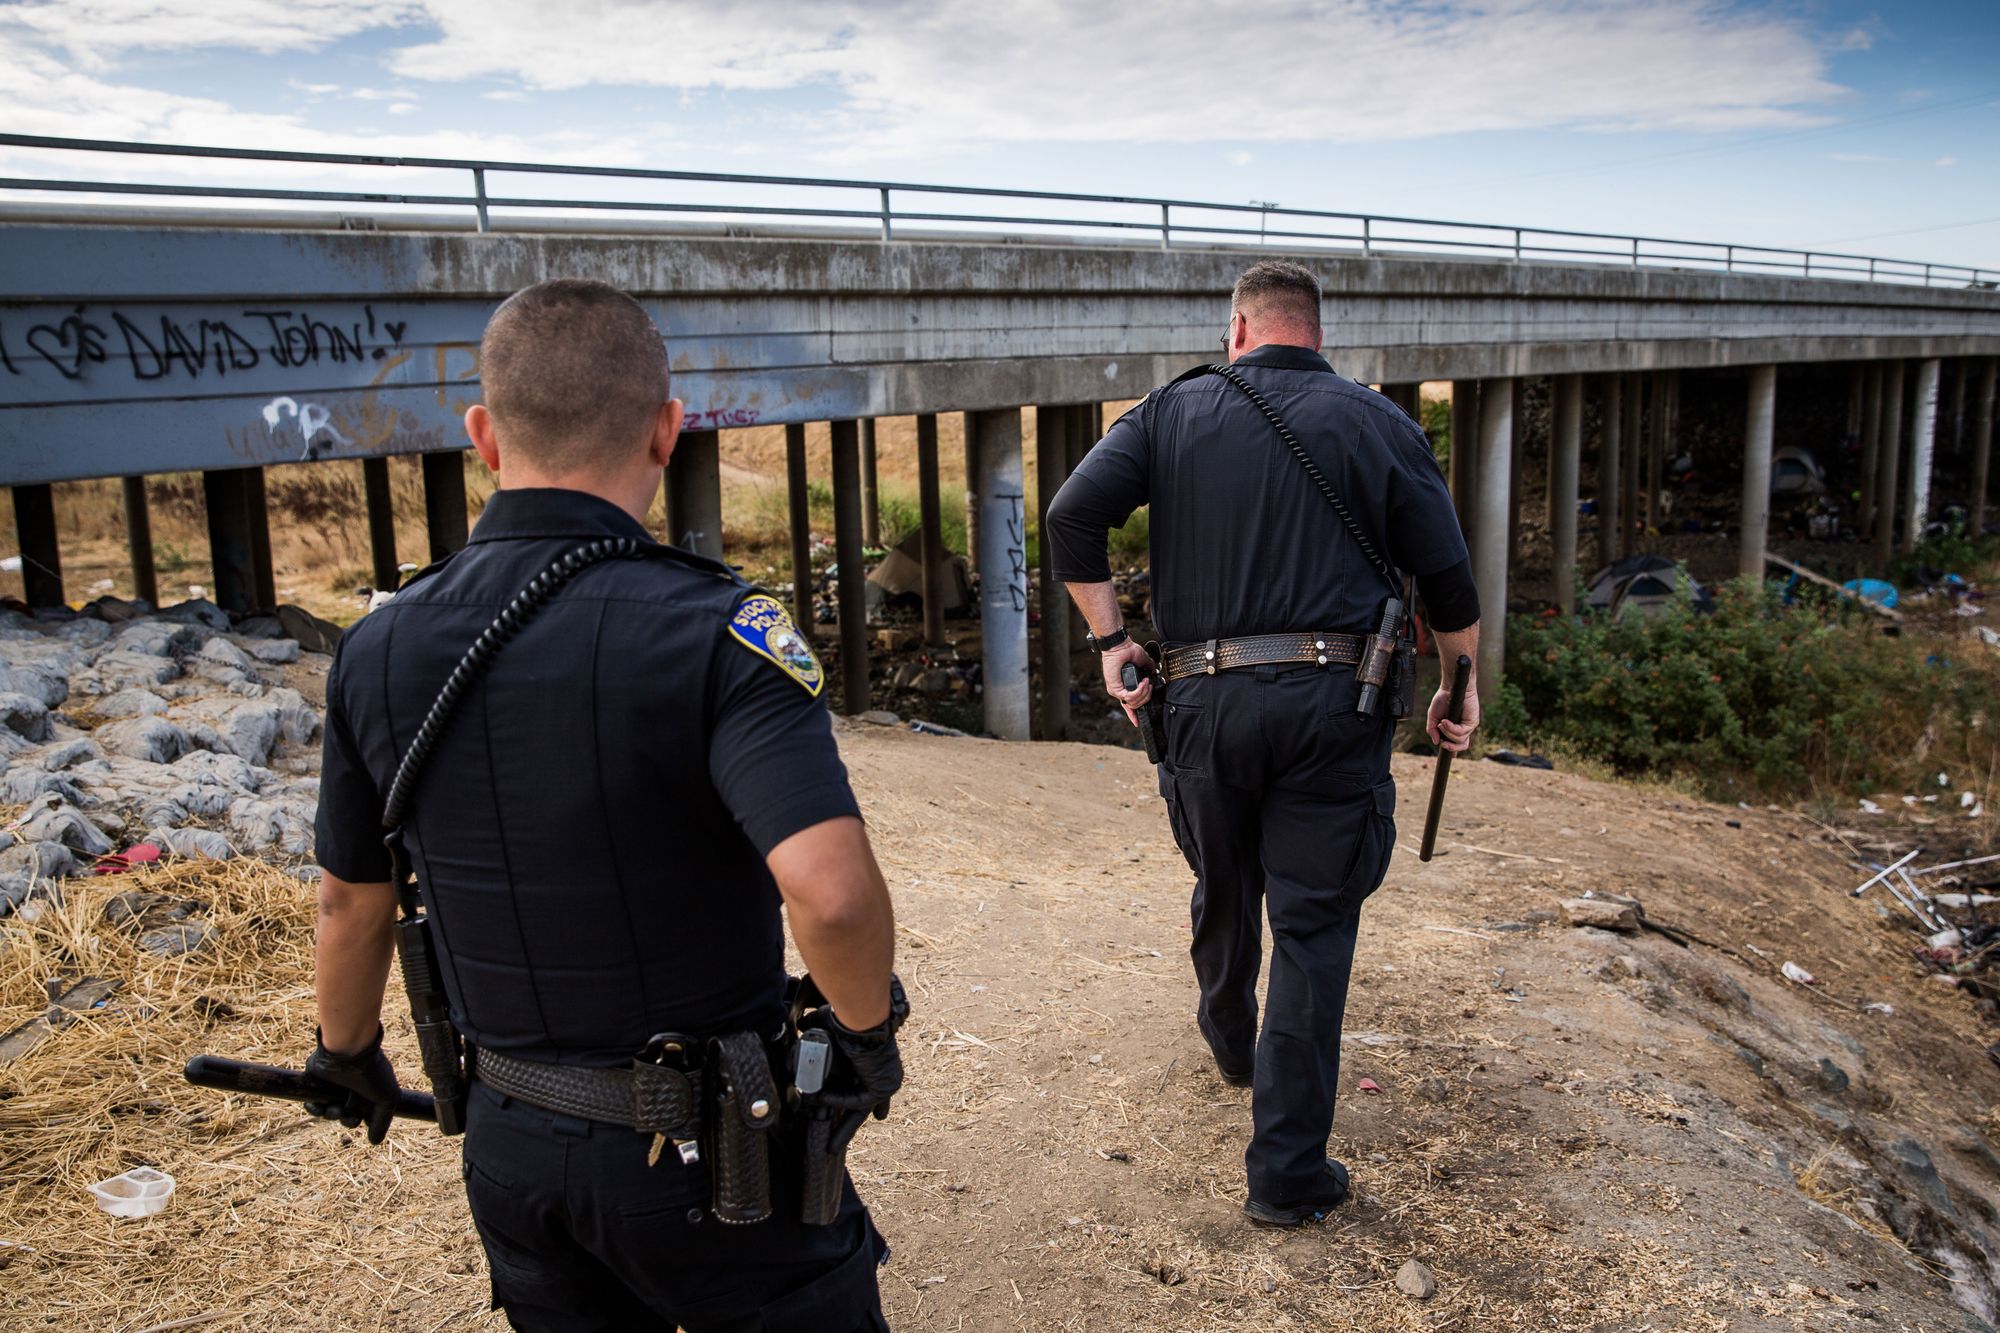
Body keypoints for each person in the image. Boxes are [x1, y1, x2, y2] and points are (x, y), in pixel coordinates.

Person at [305, 278, 901, 1331]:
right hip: (720, 1158)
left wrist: (344, 1054)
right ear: (668, 432)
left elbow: (349, 905)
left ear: (484, 437)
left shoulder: (376, 649)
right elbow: (834, 898)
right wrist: (862, 1034)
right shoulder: (722, 633)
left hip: (511, 1148)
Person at [1044, 260, 1481, 1227]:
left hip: (1201, 699)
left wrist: (1114, 643)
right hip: (1339, 706)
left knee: (1226, 878)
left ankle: (1231, 1041)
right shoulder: (1380, 422)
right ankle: (1286, 1176)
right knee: (1315, 929)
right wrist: (1460, 685)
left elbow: (1071, 516)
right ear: (1316, 333)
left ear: (1237, 328)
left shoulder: (1170, 411)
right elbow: (1448, 582)